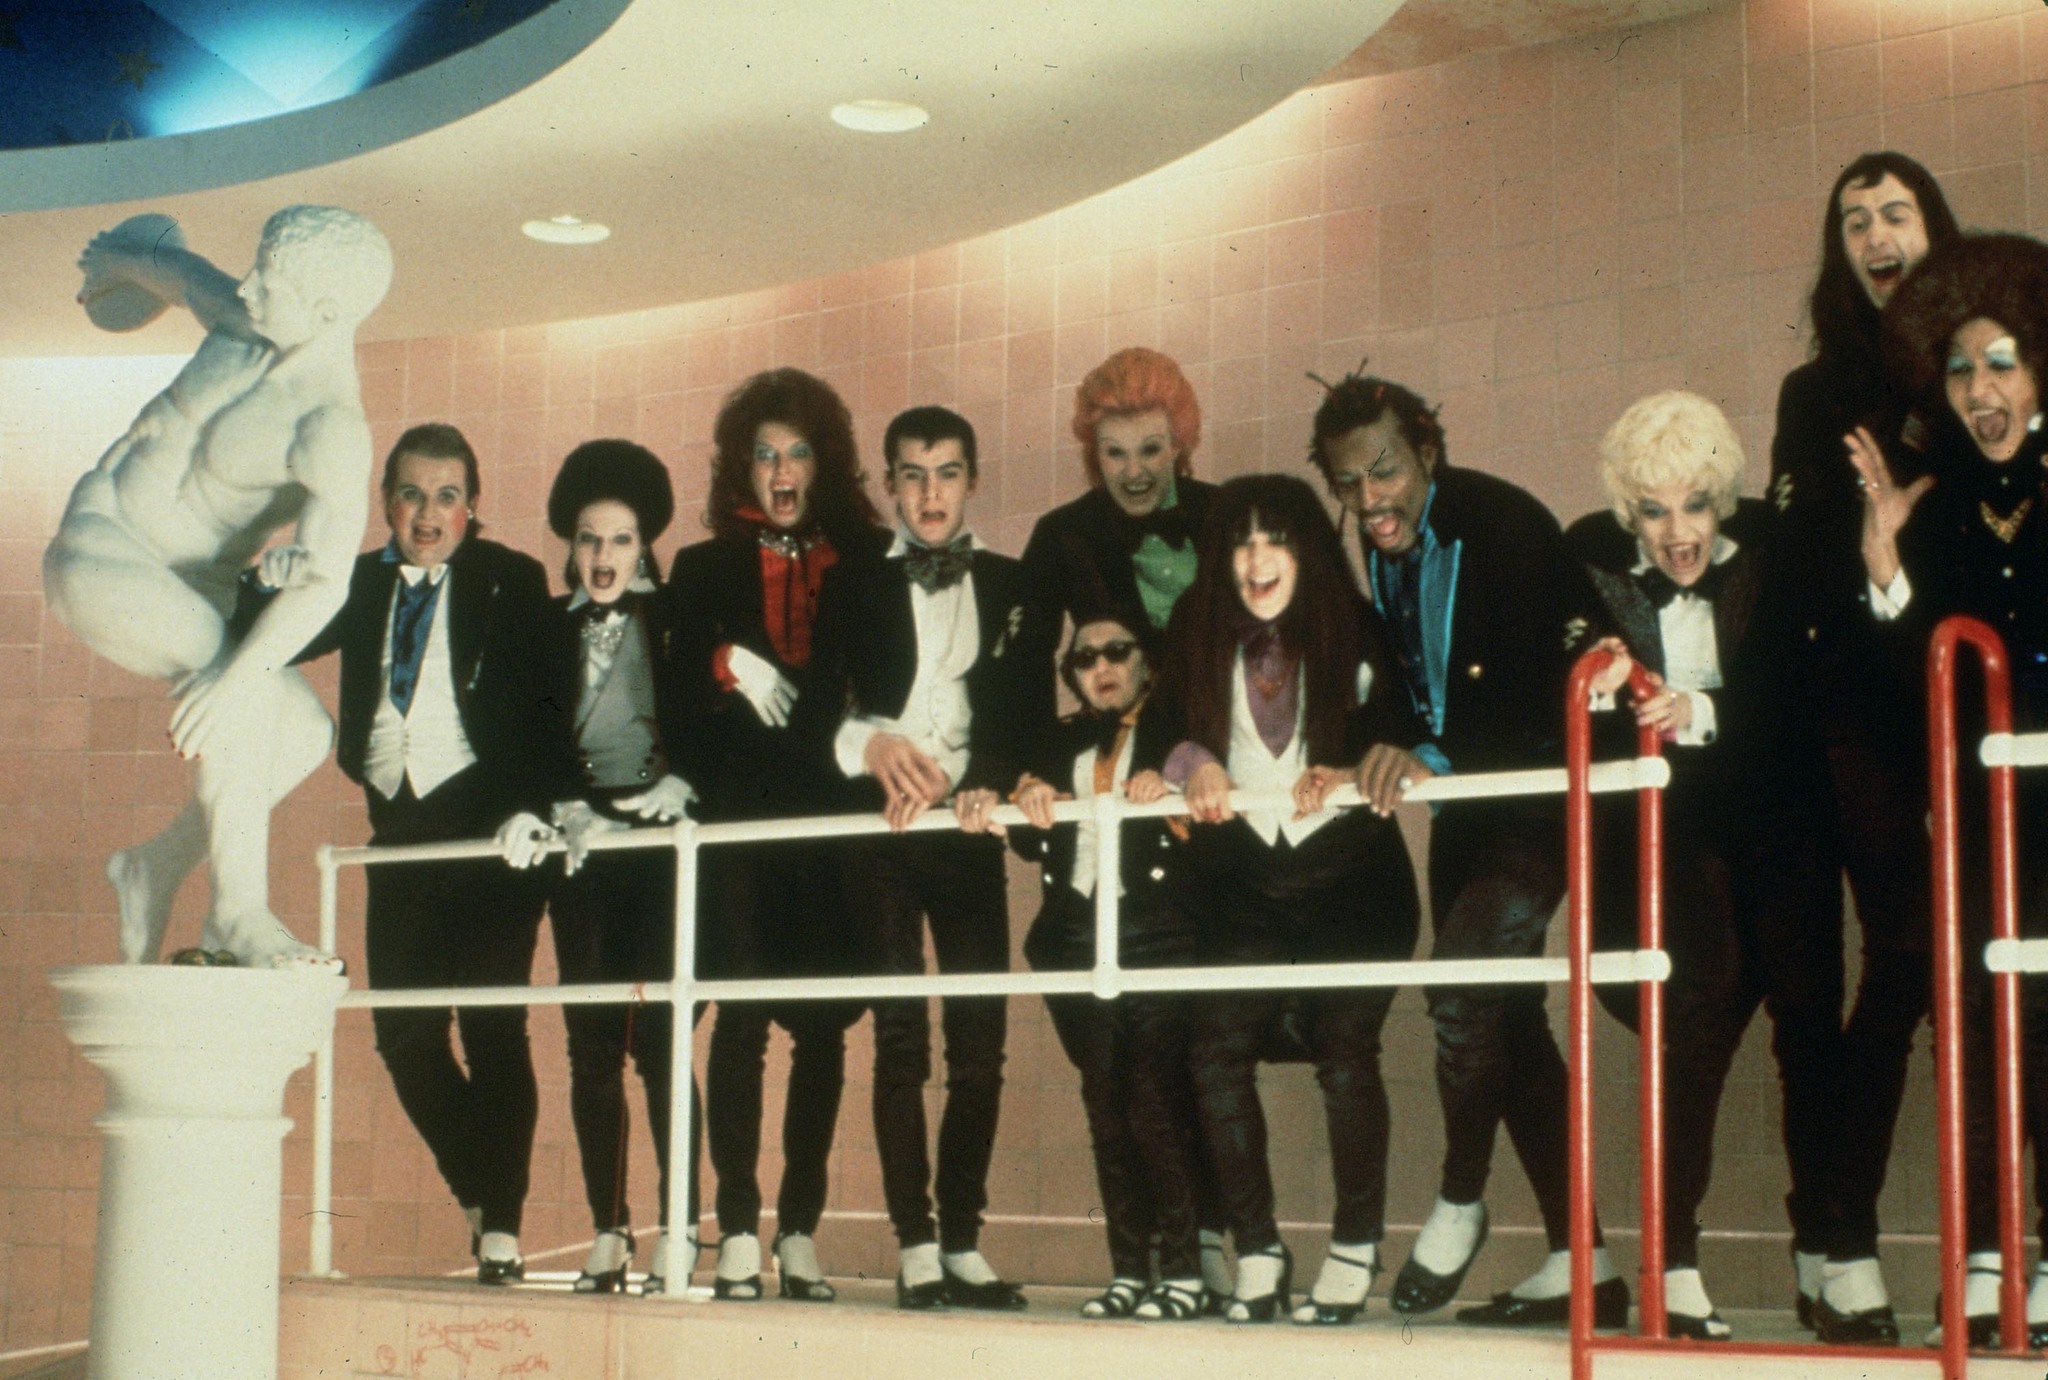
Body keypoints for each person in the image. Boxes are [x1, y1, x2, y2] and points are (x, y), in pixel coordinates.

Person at [1303, 367, 1627, 1327]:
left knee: (1457, 993)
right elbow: (1399, 686)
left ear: (1427, 454)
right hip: (1461, 813)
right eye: (1350, 484)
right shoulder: (1368, 549)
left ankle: (1458, 1198)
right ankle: (1587, 1268)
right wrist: (1367, 753)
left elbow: (1547, 684)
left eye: (1387, 472)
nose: (1371, 500)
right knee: (1507, 1022)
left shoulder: (1504, 523)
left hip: (1530, 799)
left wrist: (1429, 752)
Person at [243, 423, 570, 1285]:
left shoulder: (512, 580)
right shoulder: (353, 581)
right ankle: (482, 1189)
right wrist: (263, 578)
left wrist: (531, 811)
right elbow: (261, 638)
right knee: (406, 1037)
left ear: (473, 506)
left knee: (495, 1029)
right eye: (413, 494)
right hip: (401, 831)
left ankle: (501, 1222)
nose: (429, 514)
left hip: (492, 825)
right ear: (386, 500)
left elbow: (546, 705)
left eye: (448, 495)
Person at [42, 205, 392, 969]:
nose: (250, 287)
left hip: (196, 586)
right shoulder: (244, 316)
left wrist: (245, 669)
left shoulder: (331, 429)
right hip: (100, 541)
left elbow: (326, 583)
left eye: (272, 279)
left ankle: (153, 867)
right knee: (240, 682)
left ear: (327, 313)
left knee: (302, 731)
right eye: (258, 265)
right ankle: (238, 912)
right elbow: (175, 268)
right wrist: (120, 260)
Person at [1568, 392, 1843, 1340]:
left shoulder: (1777, 551)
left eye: (1695, 504)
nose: (1677, 532)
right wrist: (1604, 672)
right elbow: (1561, 667)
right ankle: (1672, 1263)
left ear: (1724, 497)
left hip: (1784, 823)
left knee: (1810, 1026)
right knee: (1694, 1020)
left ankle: (1831, 1259)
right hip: (1671, 839)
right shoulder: (1590, 564)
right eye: (1653, 510)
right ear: (1626, 512)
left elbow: (1802, 696)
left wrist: (1701, 713)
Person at [1768, 151, 1961, 1341]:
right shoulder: (1816, 390)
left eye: (1894, 214)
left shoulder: (1974, 368)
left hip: (1964, 711)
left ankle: (1845, 1236)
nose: (1876, 235)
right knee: (1895, 965)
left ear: (1932, 229)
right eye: (1854, 221)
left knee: (1931, 973)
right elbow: (1798, 574)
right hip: (1852, 717)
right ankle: (1835, 1238)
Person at [1158, 474, 1423, 1325]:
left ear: (1309, 548)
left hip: (1354, 878)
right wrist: (1192, 759)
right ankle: (1259, 1250)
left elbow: (1408, 726)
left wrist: (1354, 770)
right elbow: (1163, 720)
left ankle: (1354, 1246)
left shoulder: (1362, 624)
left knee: (1347, 1054)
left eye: (1277, 539)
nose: (1258, 559)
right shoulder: (1190, 629)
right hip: (1246, 881)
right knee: (1214, 1051)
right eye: (1240, 541)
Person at [1851, 232, 2048, 1347]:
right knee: (1975, 1020)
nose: (1982, 388)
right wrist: (1885, 561)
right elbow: (1904, 681)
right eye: (1963, 368)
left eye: (2004, 363)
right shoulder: (1933, 508)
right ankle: (1981, 1254)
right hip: (1981, 817)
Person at [793, 404, 1032, 1310]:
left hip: (969, 832)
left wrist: (991, 781)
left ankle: (964, 1240)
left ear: (971, 480)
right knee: (901, 1043)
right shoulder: (851, 581)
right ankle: (917, 1245)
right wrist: (873, 742)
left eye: (947, 473)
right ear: (890, 485)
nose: (930, 494)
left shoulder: (1011, 584)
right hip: (887, 833)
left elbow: (1021, 720)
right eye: (913, 475)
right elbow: (822, 711)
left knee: (980, 1050)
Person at [663, 369, 887, 1302]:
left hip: (834, 821)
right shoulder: (703, 566)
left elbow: (884, 681)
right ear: (739, 467)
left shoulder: (865, 558)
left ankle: (800, 1229)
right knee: (743, 1017)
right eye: (764, 453)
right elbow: (674, 695)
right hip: (741, 819)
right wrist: (725, 660)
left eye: (797, 452)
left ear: (823, 461)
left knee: (826, 1029)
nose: (780, 470)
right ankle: (738, 1230)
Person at [969, 605, 1211, 1320]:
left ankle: (1187, 1270)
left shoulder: (1174, 730)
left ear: (1147, 662)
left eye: (1117, 651)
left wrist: (1169, 786)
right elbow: (1022, 835)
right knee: (1105, 1102)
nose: (1101, 667)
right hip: (1071, 935)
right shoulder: (1058, 738)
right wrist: (1027, 793)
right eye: (1084, 657)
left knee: (1150, 1096)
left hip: (1157, 932)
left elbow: (1200, 773)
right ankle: (1129, 1269)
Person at [496, 440, 696, 1295]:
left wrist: (688, 781)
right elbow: (527, 734)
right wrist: (556, 803)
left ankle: (680, 1226)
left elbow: (708, 721)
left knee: (660, 1040)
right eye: (589, 540)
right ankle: (608, 1230)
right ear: (570, 546)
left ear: (645, 543)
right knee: (588, 1049)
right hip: (581, 851)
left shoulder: (677, 616)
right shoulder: (545, 626)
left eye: (619, 540)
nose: (603, 557)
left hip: (656, 845)